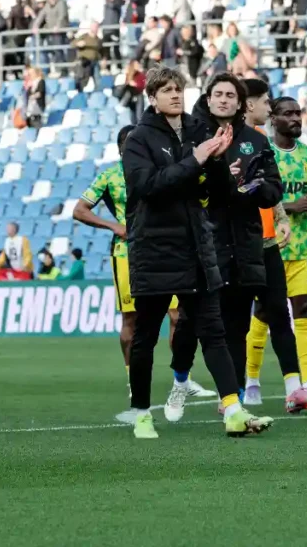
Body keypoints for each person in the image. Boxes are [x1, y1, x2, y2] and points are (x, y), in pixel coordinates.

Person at [121, 66, 272, 438]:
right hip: (155, 248)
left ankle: (233, 411)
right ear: (152, 97)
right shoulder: (138, 139)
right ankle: (141, 413)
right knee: (146, 336)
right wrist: (198, 159)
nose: (175, 95)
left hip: (197, 247)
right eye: (167, 90)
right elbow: (149, 187)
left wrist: (221, 162)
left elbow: (220, 191)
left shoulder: (197, 131)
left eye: (179, 89)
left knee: (214, 332)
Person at [168, 74, 307, 421]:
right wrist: (217, 173)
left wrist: (253, 187)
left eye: (230, 95)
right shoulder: (191, 136)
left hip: (249, 243)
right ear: (208, 100)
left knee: (243, 323)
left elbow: (273, 191)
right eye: (217, 94)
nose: (223, 100)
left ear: (240, 103)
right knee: (191, 324)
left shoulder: (254, 139)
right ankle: (180, 378)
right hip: (203, 243)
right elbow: (180, 183)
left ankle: (235, 401)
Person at [73, 126, 215, 422]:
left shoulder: (163, 170)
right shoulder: (111, 175)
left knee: (179, 317)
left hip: (168, 252)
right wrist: (114, 226)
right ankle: (132, 381)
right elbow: (80, 209)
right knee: (133, 320)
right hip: (127, 255)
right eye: (127, 144)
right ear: (120, 149)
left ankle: (182, 379)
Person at [239, 79, 307, 412]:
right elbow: (256, 199)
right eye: (287, 114)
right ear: (272, 118)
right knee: (263, 315)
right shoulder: (262, 152)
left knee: (304, 312)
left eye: (298, 113)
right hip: (269, 246)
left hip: (304, 247)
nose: (295, 119)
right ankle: (252, 380)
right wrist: (289, 208)